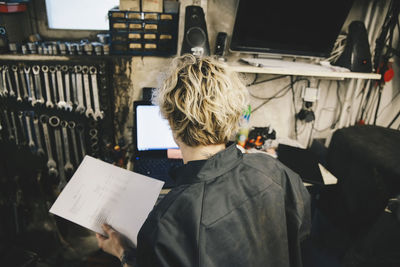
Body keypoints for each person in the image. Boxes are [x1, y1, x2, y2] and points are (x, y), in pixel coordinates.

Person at [96, 54, 311, 267]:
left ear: (171, 122)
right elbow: (300, 234)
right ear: (233, 115)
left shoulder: (164, 224)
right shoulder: (275, 171)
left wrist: (122, 252)